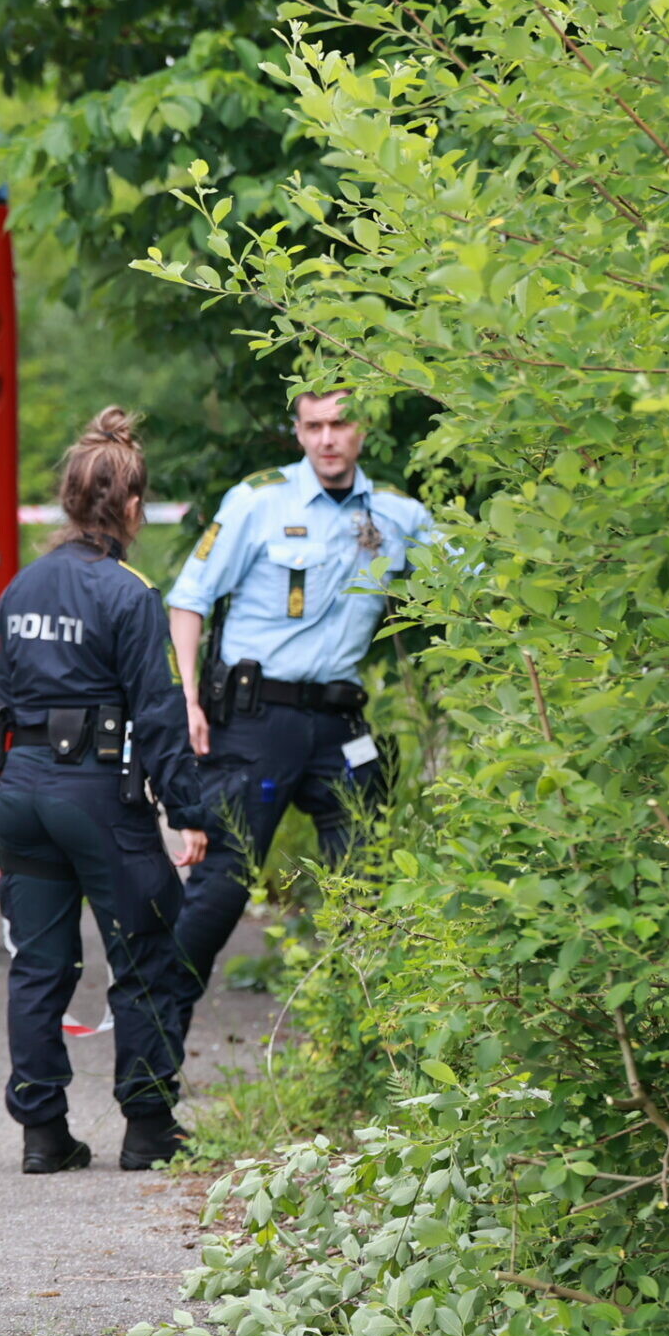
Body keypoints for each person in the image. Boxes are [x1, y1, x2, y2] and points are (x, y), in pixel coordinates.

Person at [163, 389, 435, 1037]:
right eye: (313, 425)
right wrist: (188, 699)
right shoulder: (259, 501)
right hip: (258, 720)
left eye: (340, 423)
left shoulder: (398, 515)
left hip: (340, 723)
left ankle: (361, 1046)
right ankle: (154, 1034)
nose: (327, 439)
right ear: (298, 431)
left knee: (363, 883)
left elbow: (481, 582)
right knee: (223, 884)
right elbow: (189, 599)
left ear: (362, 429)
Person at [0, 408, 207, 1175]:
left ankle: (42, 1132)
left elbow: (5, 699)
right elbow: (160, 714)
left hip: (23, 789)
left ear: (68, 501)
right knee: (144, 953)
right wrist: (188, 812)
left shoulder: (21, 588)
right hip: (96, 795)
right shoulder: (129, 594)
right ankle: (147, 1127)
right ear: (133, 508)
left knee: (38, 964)